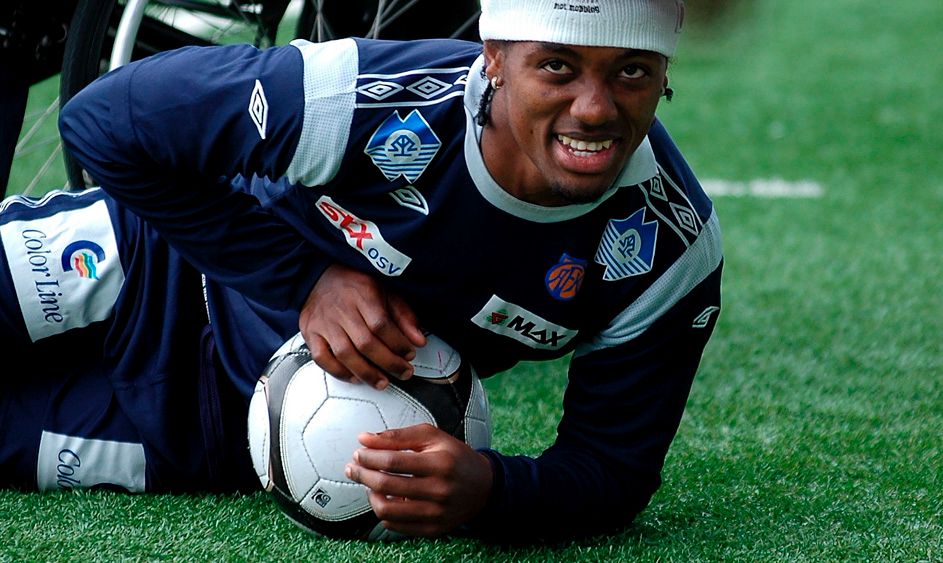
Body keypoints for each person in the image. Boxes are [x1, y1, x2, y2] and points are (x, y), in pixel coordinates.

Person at [0, 0, 723, 541]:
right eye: (557, 66)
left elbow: (612, 469)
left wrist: (492, 488)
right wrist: (304, 280)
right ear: (495, 58)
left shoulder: (667, 248)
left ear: (664, 75)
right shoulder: (361, 94)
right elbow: (103, 120)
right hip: (148, 261)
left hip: (218, 435)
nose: (594, 109)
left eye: (631, 71)